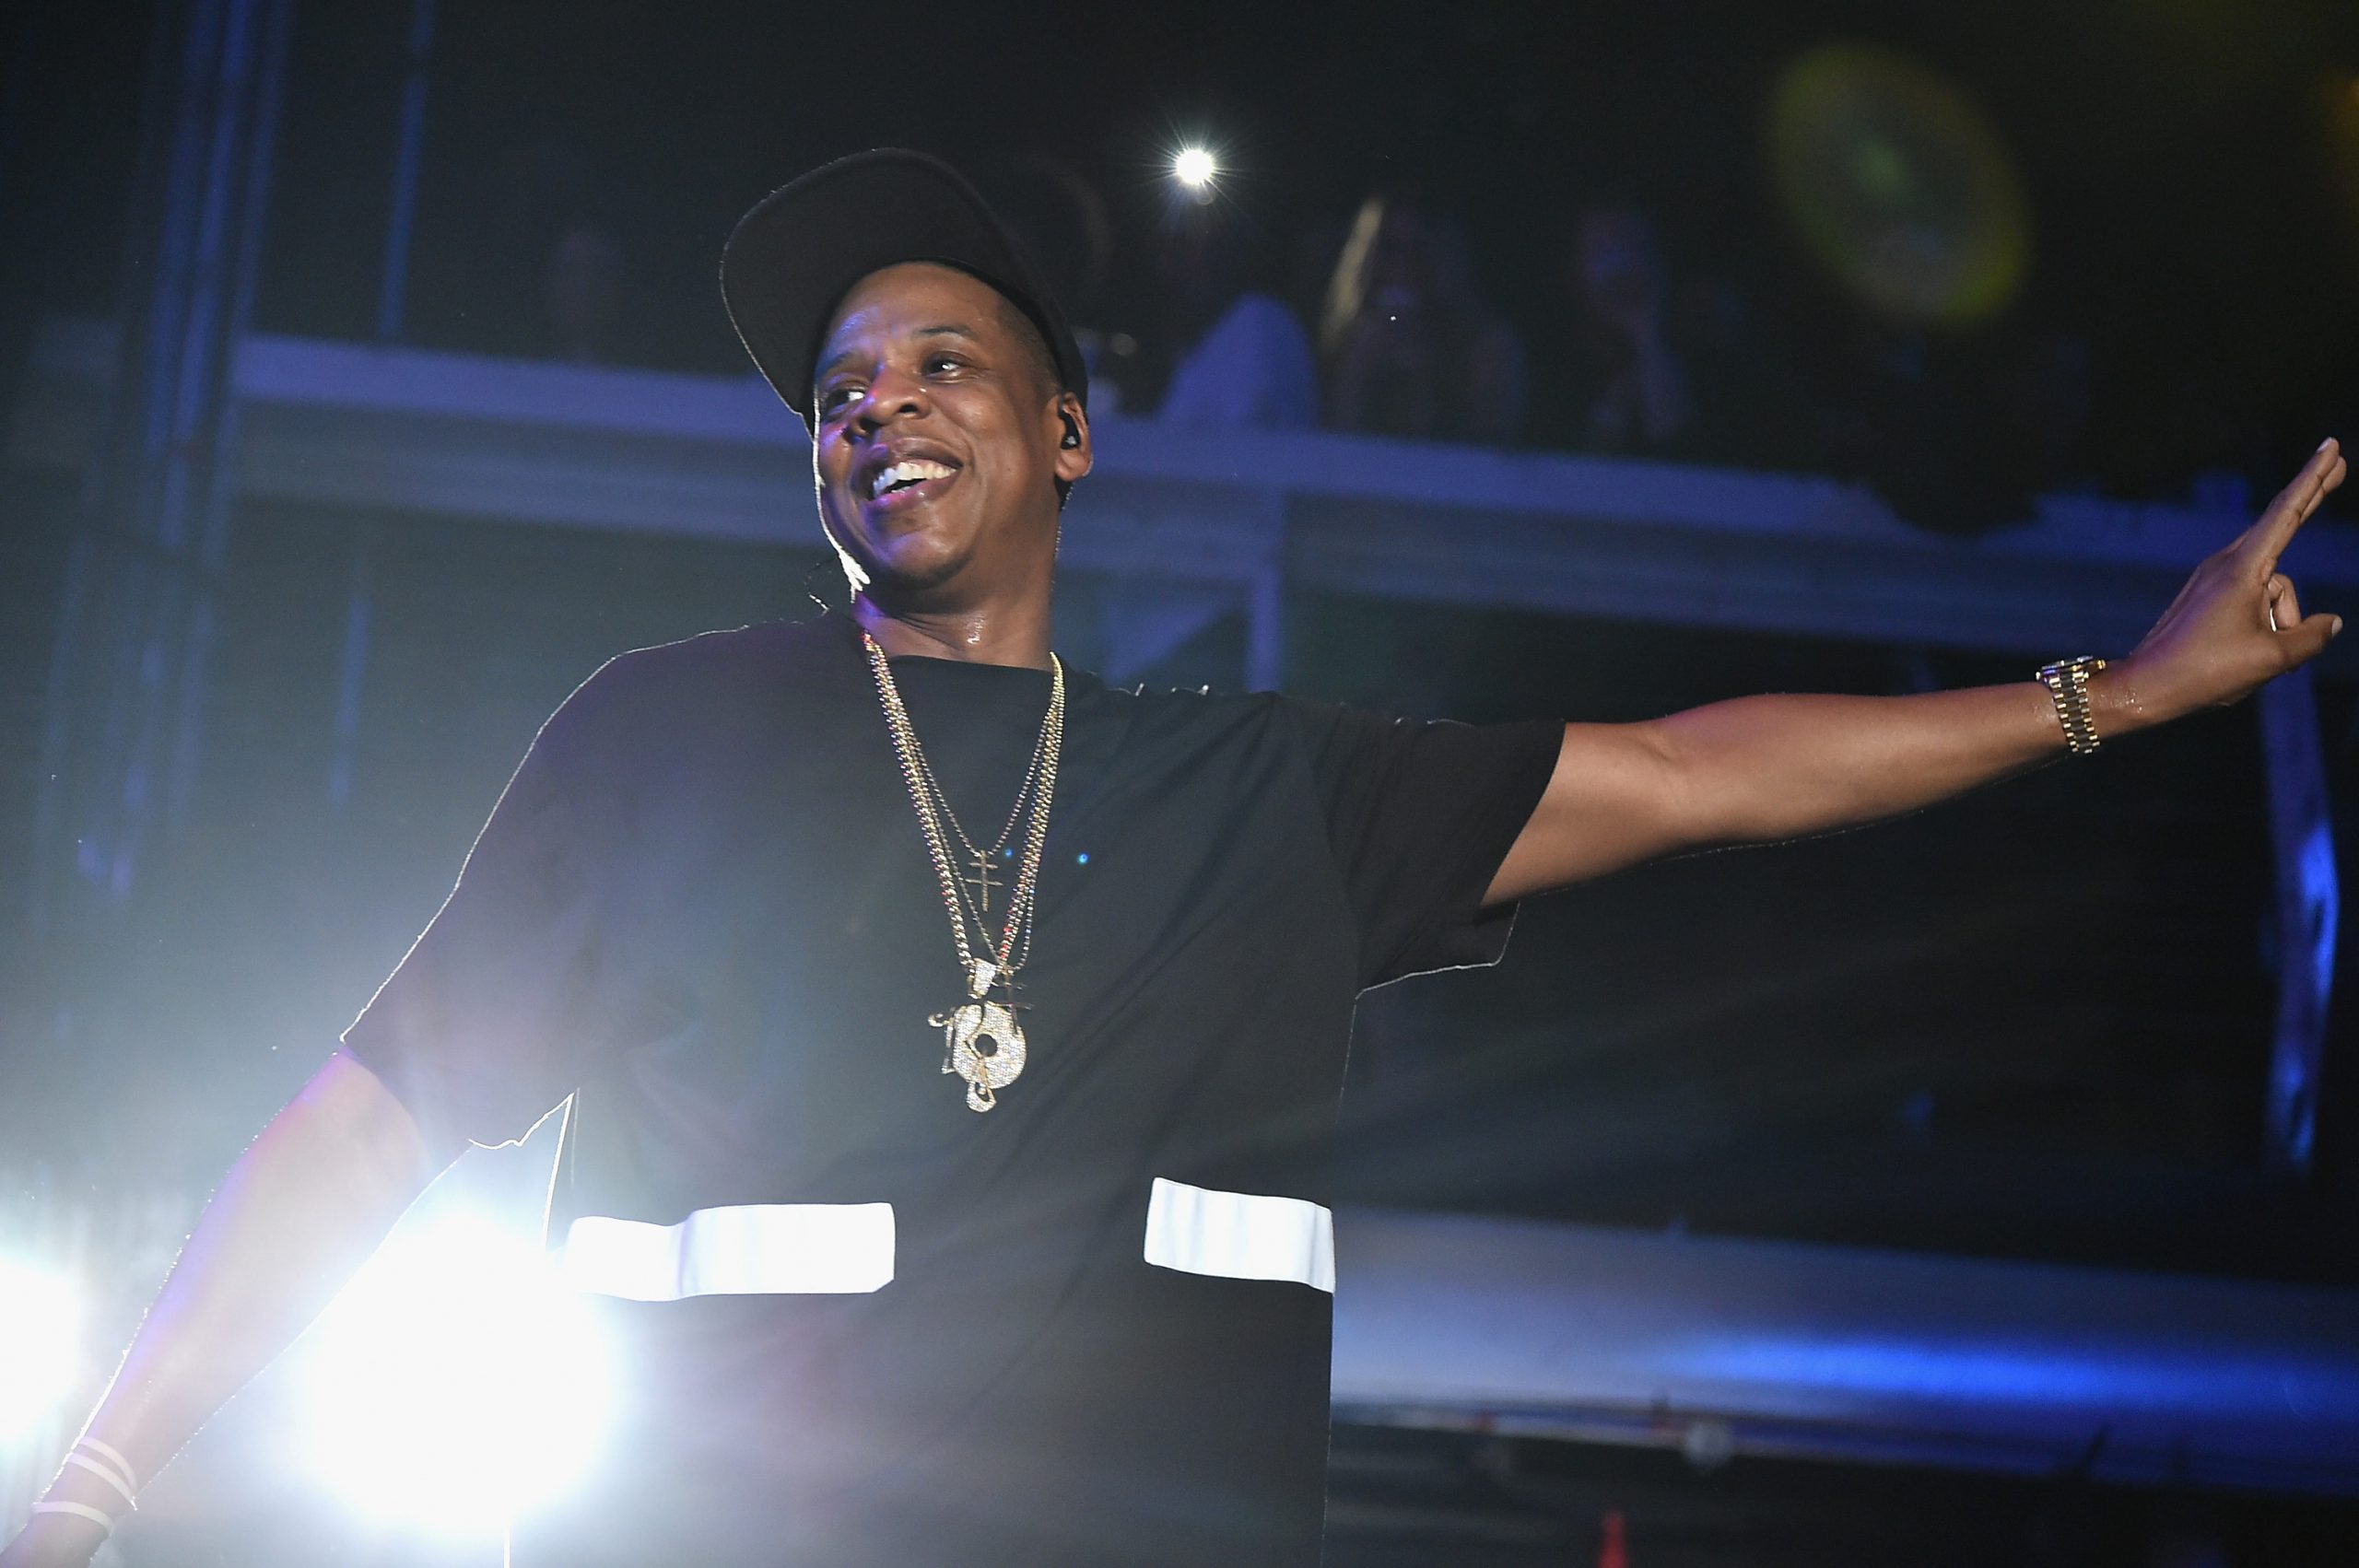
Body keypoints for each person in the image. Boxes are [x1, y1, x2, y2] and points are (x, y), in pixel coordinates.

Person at [2, 147, 2342, 1568]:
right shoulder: (665, 739)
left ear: (1068, 434)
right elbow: (369, 1116)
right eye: (838, 390)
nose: (876, 405)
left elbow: (1691, 770)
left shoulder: (1255, 786)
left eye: (937, 362)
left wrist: (2111, 698)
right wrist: (99, 1473)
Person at [1320, 193, 1527, 443]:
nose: (1402, 269)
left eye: (1419, 251)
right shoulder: (1340, 341)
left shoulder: (1490, 350)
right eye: (1389, 250)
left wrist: (1424, 382)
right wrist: (1357, 373)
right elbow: (1334, 450)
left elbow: (1486, 452)